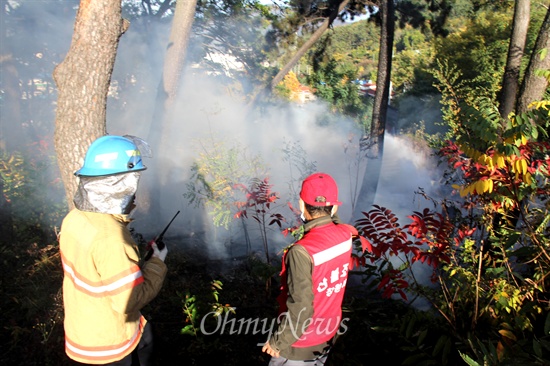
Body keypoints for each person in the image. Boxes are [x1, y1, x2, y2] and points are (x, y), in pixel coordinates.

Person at [59, 135, 168, 365]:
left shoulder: (74, 218)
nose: (135, 195)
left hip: (84, 331)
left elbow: (99, 271)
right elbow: (128, 300)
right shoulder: (112, 238)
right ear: (119, 187)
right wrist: (158, 261)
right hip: (109, 347)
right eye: (133, 183)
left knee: (146, 336)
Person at [262, 172, 355, 366]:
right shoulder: (346, 236)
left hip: (300, 344)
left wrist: (278, 342)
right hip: (328, 333)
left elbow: (301, 307)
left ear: (301, 205)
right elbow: (335, 224)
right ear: (335, 206)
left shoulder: (302, 252)